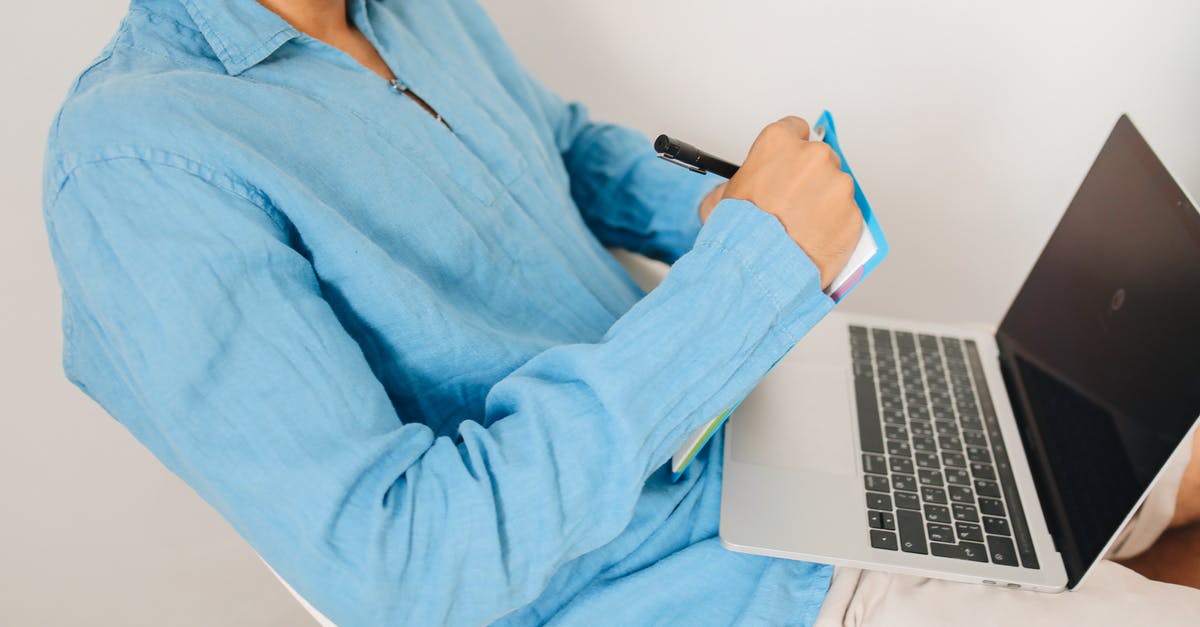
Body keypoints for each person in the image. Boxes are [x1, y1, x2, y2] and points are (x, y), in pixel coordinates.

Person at [42, 1, 1199, 625]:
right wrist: (757, 265)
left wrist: (739, 211)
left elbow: (559, 148)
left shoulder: (407, 9)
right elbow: (401, 566)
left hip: (762, 429)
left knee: (1122, 434)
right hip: (719, 587)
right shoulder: (144, 161)